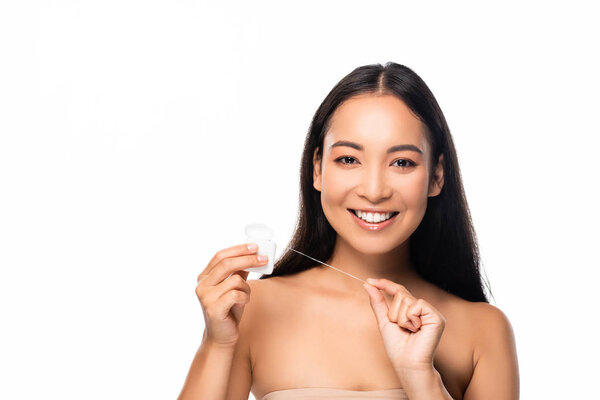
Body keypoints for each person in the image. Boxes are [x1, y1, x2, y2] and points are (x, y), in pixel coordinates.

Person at [178, 62, 520, 400]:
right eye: (348, 159)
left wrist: (422, 378)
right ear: (317, 170)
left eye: (402, 162)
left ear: (436, 176)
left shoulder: (484, 332)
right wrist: (217, 344)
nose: (374, 190)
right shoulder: (252, 309)